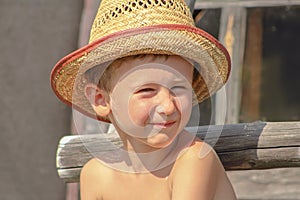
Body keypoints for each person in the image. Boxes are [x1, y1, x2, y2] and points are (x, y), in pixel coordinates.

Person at [50, 0, 236, 199]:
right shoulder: (96, 175)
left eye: (179, 88)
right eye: (147, 90)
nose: (167, 106)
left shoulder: (193, 160)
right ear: (101, 100)